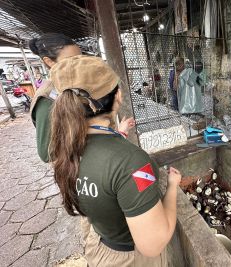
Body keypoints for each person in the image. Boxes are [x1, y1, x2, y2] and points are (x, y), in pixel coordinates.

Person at [49, 55, 181, 266]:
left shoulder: (66, 147)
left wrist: (119, 133)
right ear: (117, 96)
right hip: (129, 258)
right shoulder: (131, 162)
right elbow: (153, 244)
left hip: (99, 243)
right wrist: (173, 187)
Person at [29, 33, 134, 162]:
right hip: (84, 167)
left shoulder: (82, 84)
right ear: (49, 61)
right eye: (72, 59)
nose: (81, 63)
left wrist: (117, 133)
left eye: (80, 57)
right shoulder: (48, 97)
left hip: (104, 157)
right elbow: (47, 153)